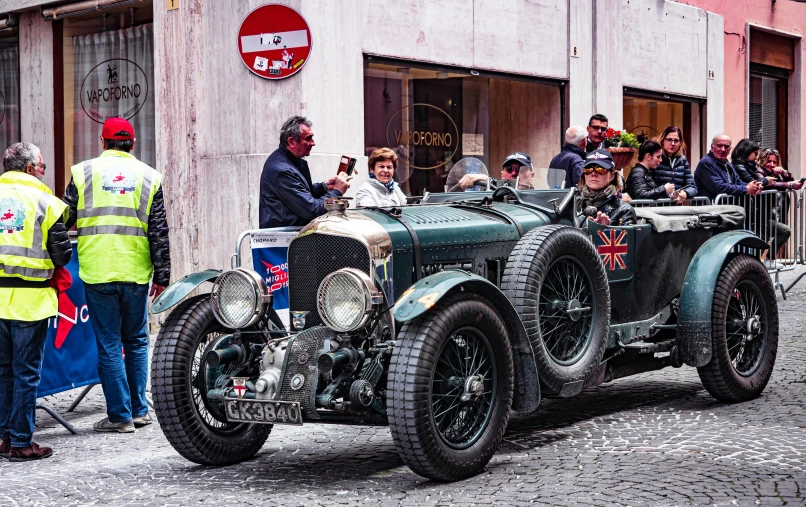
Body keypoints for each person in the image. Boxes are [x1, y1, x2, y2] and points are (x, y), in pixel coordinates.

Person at [62, 117, 170, 433]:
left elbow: (62, 218)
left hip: (97, 270)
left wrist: (55, 258)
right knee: (136, 340)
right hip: (136, 271)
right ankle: (139, 411)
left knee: (109, 342)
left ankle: (120, 417)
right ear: (132, 144)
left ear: (102, 141)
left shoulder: (83, 173)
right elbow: (159, 230)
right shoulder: (149, 177)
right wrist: (163, 273)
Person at [0, 143, 71, 461]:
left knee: (3, 371)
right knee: (26, 373)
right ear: (29, 169)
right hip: (30, 300)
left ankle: (3, 438)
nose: (43, 172)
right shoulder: (45, 201)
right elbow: (62, 254)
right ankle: (21, 442)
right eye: (42, 167)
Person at [259, 116, 353, 228]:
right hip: (284, 240)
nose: (313, 143)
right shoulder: (282, 171)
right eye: (308, 139)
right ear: (291, 142)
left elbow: (301, 193)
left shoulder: (290, 162)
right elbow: (312, 210)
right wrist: (337, 192)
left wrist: (324, 187)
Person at [756, 149, 802, 260]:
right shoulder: (758, 171)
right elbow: (769, 184)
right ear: (762, 161)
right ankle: (767, 260)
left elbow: (789, 181)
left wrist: (784, 173)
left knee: (764, 241)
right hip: (761, 217)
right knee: (782, 232)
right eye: (768, 161)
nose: (772, 164)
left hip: (774, 215)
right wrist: (789, 184)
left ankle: (766, 261)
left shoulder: (777, 175)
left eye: (774, 162)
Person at [693, 134, 763, 202]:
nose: (723, 149)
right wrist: (746, 189)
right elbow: (719, 187)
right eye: (719, 145)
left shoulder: (726, 162)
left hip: (723, 208)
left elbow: (737, 181)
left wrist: (754, 187)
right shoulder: (706, 162)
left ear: (730, 149)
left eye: (726, 146)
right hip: (707, 210)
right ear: (712, 147)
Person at [578, 149, 636, 226]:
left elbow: (627, 237)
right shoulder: (575, 205)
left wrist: (604, 229)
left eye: (600, 169)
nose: (594, 174)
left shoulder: (624, 210)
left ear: (612, 176)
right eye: (588, 169)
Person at [653, 126, 697, 199]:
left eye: (676, 140)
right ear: (663, 141)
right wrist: (665, 192)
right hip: (657, 206)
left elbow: (692, 187)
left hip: (677, 207)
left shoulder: (682, 160)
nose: (673, 143)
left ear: (680, 143)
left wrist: (685, 193)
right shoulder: (656, 158)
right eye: (669, 139)